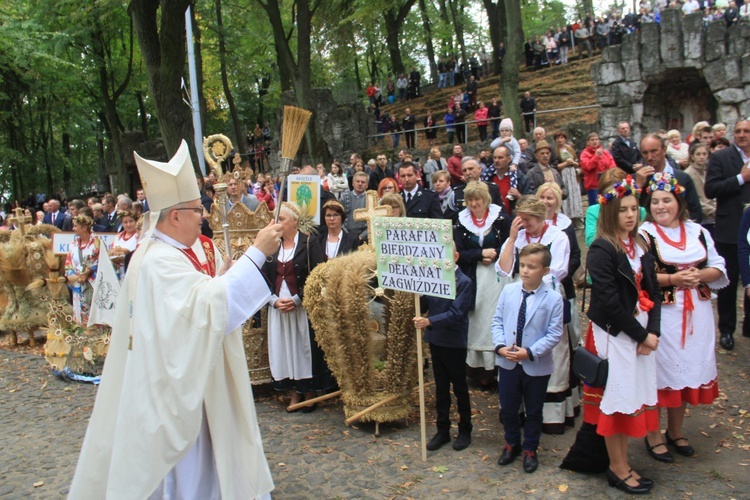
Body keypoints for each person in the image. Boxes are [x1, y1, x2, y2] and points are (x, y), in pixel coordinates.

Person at [69, 140, 282, 498]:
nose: (205, 215)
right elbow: (205, 309)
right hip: (175, 387)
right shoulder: (155, 261)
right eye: (197, 209)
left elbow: (203, 297)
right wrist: (257, 254)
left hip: (201, 375)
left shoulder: (190, 247)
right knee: (190, 473)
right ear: (175, 216)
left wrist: (226, 275)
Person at [581, 174, 661, 494]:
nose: (630, 215)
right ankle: (617, 467)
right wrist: (641, 336)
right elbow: (610, 303)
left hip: (639, 331)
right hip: (615, 333)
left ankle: (624, 461)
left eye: (633, 208)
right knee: (617, 399)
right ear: (610, 212)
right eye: (623, 210)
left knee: (632, 395)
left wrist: (651, 331)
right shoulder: (603, 248)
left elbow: (652, 290)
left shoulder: (640, 243)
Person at [639, 173, 727, 464]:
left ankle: (675, 431)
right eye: (655, 202)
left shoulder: (697, 231)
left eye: (666, 200)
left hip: (696, 316)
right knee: (658, 375)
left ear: (678, 201)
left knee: (684, 374)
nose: (661, 206)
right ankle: (653, 434)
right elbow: (640, 276)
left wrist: (698, 276)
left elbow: (717, 267)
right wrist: (674, 278)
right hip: (662, 315)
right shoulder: (644, 234)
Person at [493, 244, 564, 474]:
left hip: (535, 364)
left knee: (533, 410)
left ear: (545, 270)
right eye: (522, 265)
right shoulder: (509, 291)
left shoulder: (553, 298)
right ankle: (512, 442)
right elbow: (497, 321)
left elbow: (554, 334)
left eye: (531, 267)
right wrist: (500, 346)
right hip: (508, 362)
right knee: (509, 407)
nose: (525, 271)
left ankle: (530, 448)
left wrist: (530, 352)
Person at [263, 202, 331, 411]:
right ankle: (294, 391)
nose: (278, 224)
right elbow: (262, 276)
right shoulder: (271, 245)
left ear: (295, 220)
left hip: (301, 307)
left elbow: (318, 275)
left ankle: (308, 390)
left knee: (303, 348)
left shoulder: (310, 243)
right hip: (278, 306)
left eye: (281, 219)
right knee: (285, 348)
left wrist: (298, 299)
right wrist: (273, 300)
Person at [454, 182, 511, 389]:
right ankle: (478, 370)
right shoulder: (461, 222)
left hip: (497, 277)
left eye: (477, 199)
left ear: (486, 199)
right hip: (473, 276)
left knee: (495, 318)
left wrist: (494, 253)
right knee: (477, 320)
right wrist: (480, 254)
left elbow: (509, 243)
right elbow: (458, 253)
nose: (474, 203)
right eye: (470, 199)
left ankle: (496, 367)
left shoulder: (501, 218)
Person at [415, 250, 474, 452]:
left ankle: (465, 430)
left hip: (454, 341)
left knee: (459, 387)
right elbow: (424, 304)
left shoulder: (463, 281)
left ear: (456, 256)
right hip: (436, 340)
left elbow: (456, 313)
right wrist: (419, 291)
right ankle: (443, 430)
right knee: (441, 388)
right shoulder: (433, 277)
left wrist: (430, 321)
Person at [537, 182, 582, 421]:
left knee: (567, 337)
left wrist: (557, 276)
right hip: (535, 291)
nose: (546, 202)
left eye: (550, 198)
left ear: (558, 201)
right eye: (543, 197)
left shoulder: (565, 227)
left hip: (561, 288)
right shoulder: (530, 226)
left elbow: (575, 256)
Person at [705, 118, 750, 350]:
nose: (742, 135)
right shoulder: (721, 157)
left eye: (747, 131)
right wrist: (741, 178)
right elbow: (710, 189)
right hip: (730, 229)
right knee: (730, 282)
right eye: (738, 131)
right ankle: (727, 329)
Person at [65, 214, 100, 324]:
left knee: (92, 306)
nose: (73, 229)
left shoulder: (96, 243)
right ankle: (81, 330)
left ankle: (94, 330)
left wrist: (88, 271)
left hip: (92, 282)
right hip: (77, 282)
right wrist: (72, 275)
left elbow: (101, 261)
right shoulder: (74, 245)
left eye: (75, 226)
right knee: (79, 307)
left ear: (84, 227)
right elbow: (68, 262)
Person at [684, 143, 715, 235]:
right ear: (692, 156)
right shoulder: (688, 174)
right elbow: (694, 199)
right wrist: (713, 210)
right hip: (700, 217)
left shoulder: (708, 171)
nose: (702, 157)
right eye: (698, 154)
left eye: (704, 154)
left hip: (712, 217)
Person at [554, 131, 583, 224]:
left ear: (565, 139)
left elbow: (577, 162)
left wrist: (573, 163)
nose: (560, 140)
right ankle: (568, 218)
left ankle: (577, 218)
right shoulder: (555, 151)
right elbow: (555, 166)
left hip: (572, 174)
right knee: (566, 195)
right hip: (563, 174)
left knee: (574, 194)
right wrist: (566, 163)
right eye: (558, 138)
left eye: (561, 138)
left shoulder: (570, 149)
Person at [580, 132, 616, 206]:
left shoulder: (605, 152)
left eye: (596, 139)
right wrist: (596, 156)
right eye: (592, 140)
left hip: (606, 184)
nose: (595, 141)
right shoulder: (584, 154)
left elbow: (613, 166)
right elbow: (587, 167)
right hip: (593, 186)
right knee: (595, 207)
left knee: (608, 205)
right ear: (588, 142)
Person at [109, 210, 139, 281]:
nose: (128, 224)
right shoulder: (118, 237)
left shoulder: (138, 236)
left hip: (133, 272)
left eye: (131, 221)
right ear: (122, 224)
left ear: (136, 222)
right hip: (118, 272)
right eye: (125, 222)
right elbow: (111, 252)